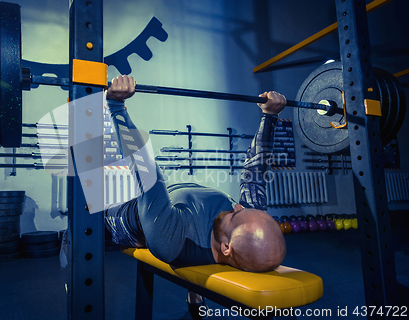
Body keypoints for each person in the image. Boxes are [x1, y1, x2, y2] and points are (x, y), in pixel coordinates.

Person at [104, 75, 287, 319]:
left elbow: (145, 167)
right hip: (169, 202)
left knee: (92, 205)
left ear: (225, 247)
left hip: (125, 216)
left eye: (235, 215)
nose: (238, 205)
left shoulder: (171, 241)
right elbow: (256, 168)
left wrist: (116, 105)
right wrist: (270, 115)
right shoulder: (249, 218)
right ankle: (195, 294)